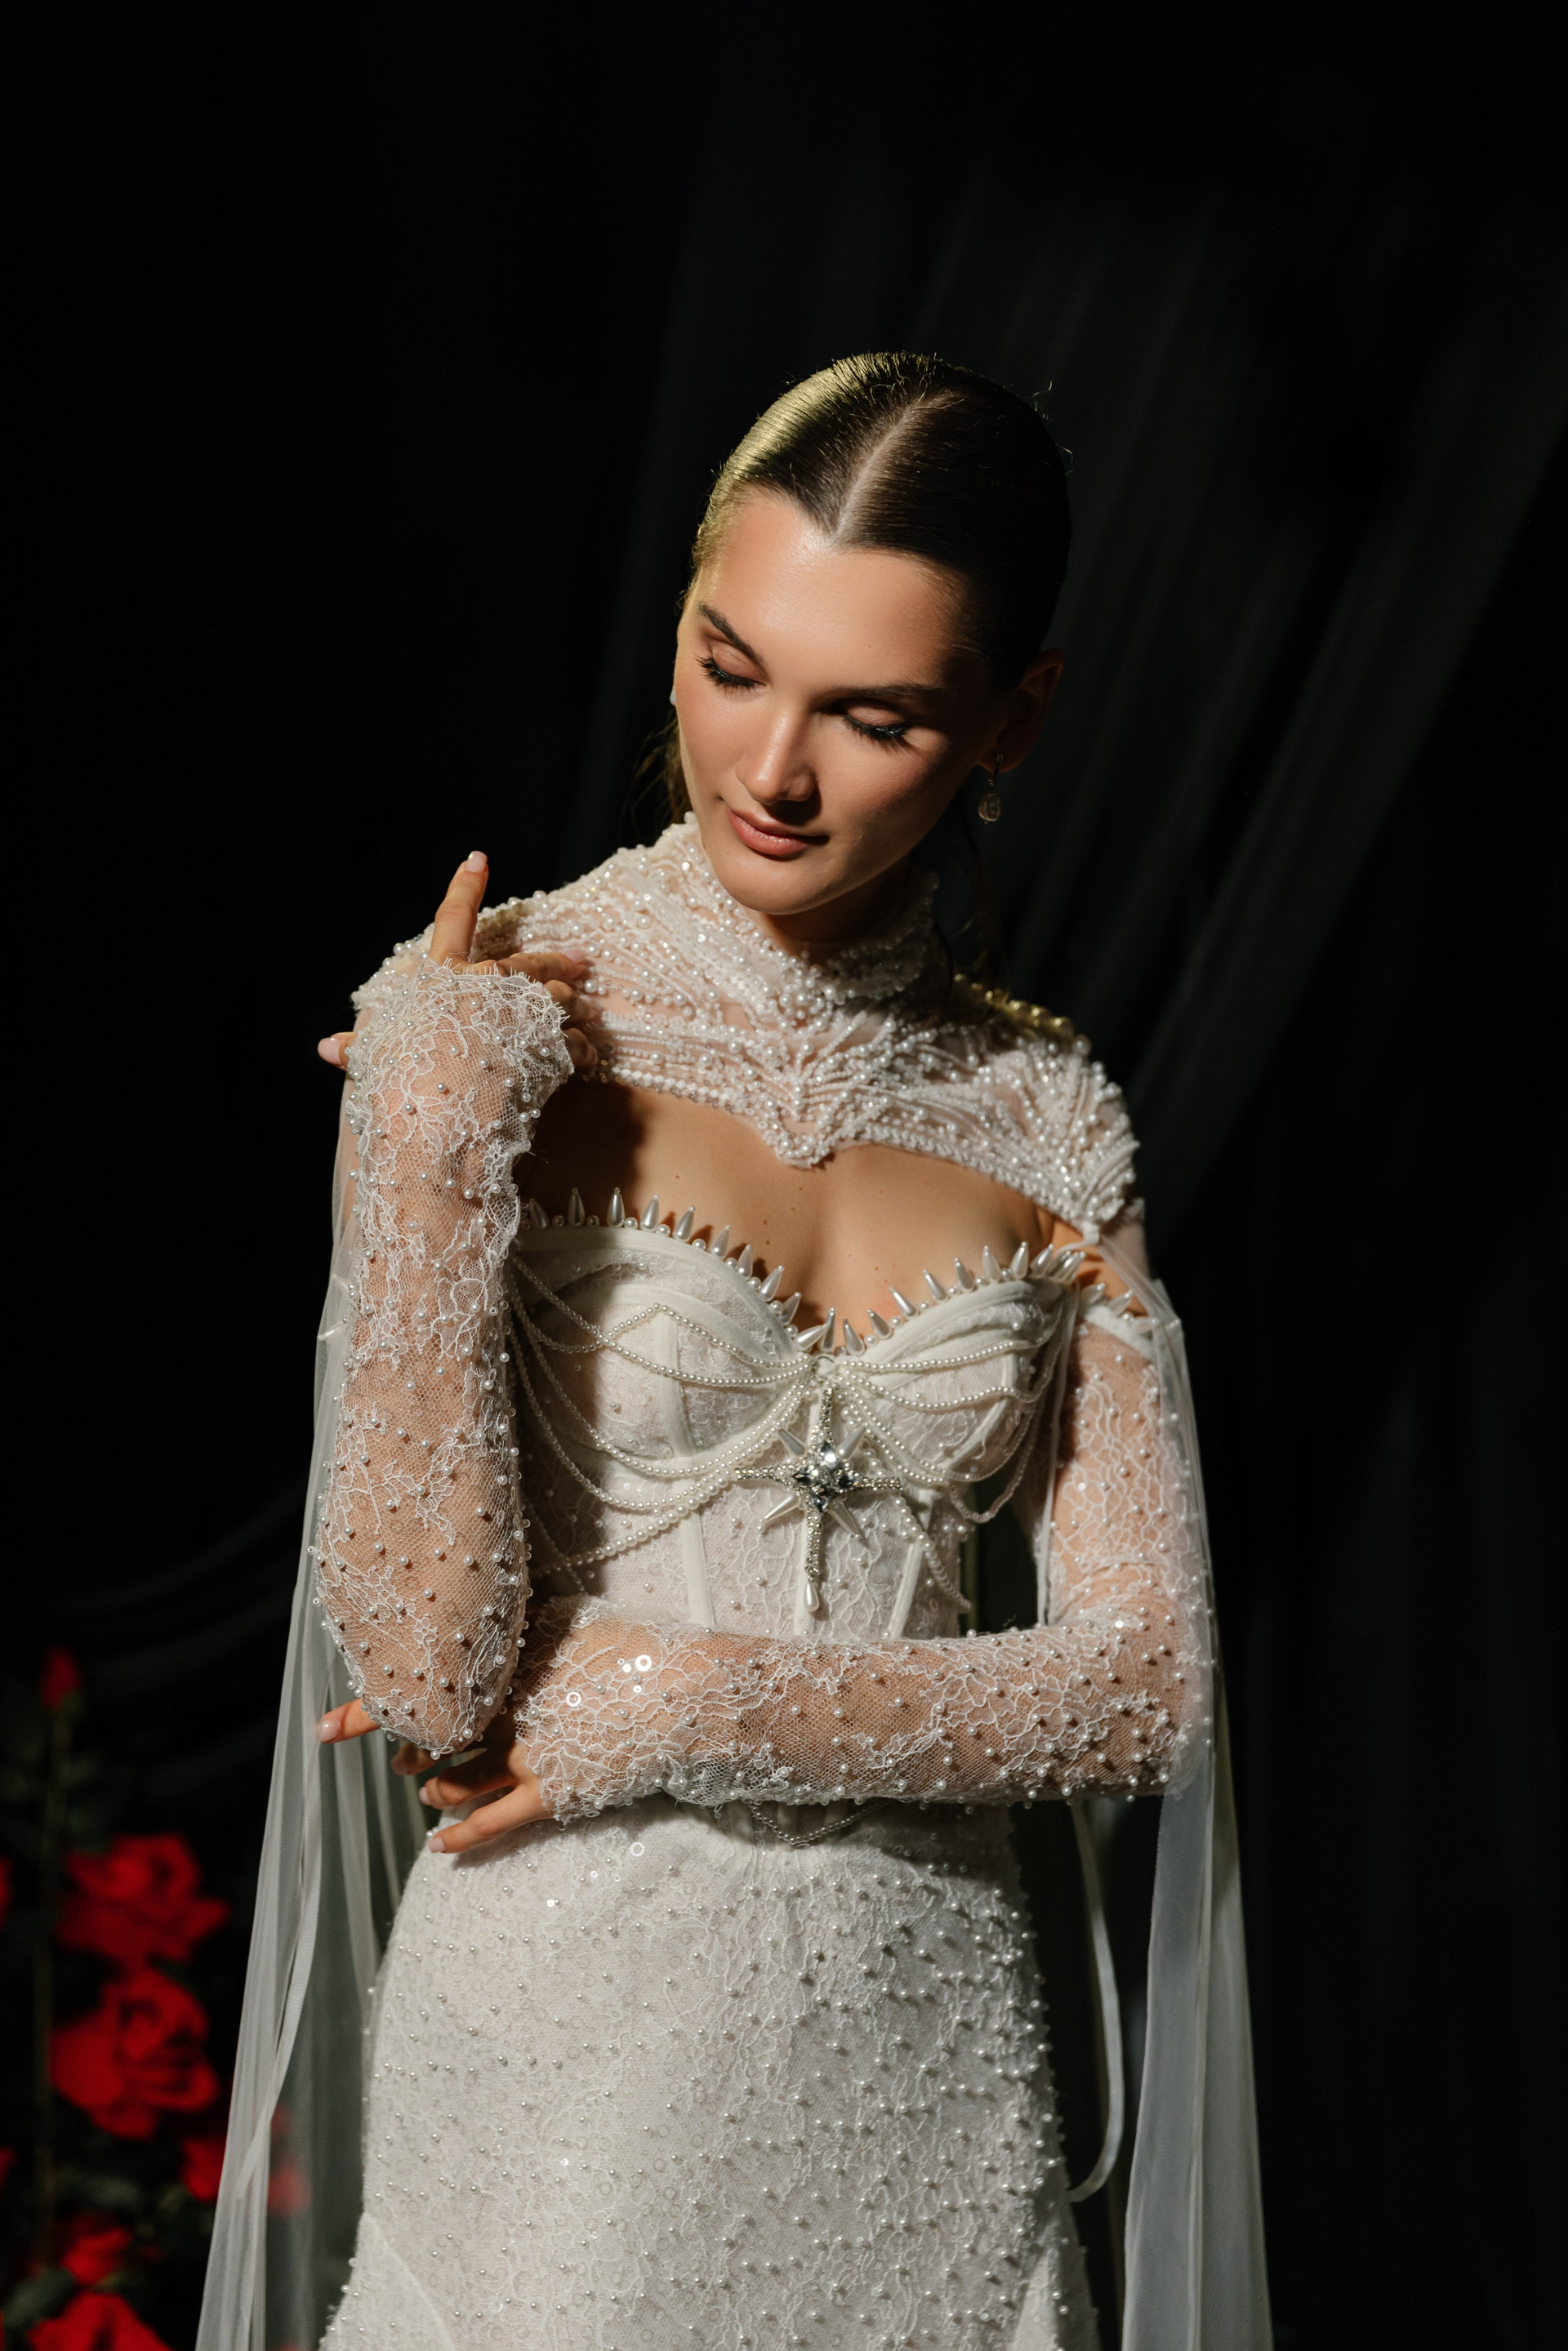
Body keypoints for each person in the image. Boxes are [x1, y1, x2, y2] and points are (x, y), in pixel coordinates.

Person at [199, 354, 1268, 2351]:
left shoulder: (1048, 1115)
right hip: (564, 2088)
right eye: (729, 664)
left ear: (1015, 720)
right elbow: (425, 1681)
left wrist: (678, 1701)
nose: (772, 766)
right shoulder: (491, 1016)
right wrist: (429, 1141)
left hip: (935, 2090)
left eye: (876, 715)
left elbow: (1145, 1695)